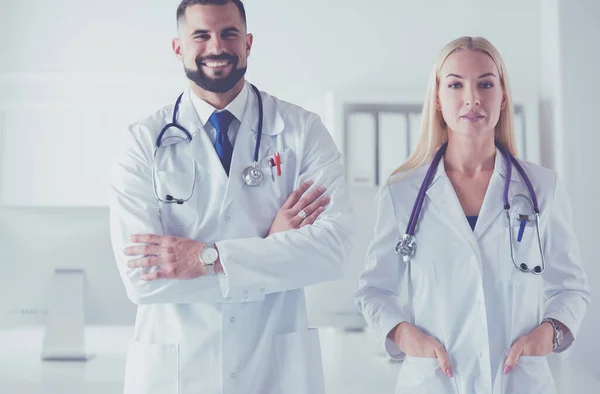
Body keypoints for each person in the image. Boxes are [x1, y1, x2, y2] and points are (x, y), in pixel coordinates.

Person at [109, 1, 353, 393]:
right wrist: (271, 248)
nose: (216, 46)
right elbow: (143, 279)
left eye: (229, 33)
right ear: (178, 47)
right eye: (201, 35)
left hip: (275, 368)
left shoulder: (301, 131)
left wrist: (208, 258)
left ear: (248, 42)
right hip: (178, 371)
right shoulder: (142, 142)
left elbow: (333, 251)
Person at [354, 36, 590, 394]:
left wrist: (549, 333)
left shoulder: (543, 188)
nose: (472, 98)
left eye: (485, 83)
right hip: (434, 381)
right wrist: (405, 335)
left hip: (519, 381)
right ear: (437, 97)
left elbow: (571, 289)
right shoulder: (402, 193)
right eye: (455, 84)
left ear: (503, 95)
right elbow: (374, 291)